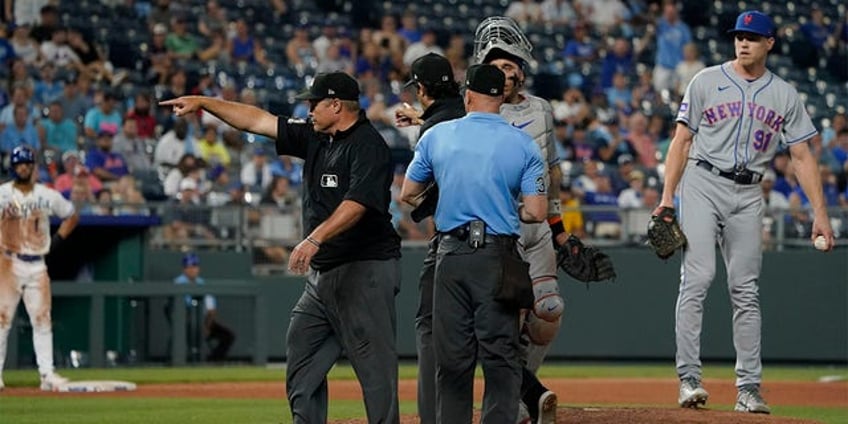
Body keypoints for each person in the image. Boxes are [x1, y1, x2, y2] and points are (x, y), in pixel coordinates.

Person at [160, 71, 402, 424]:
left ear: (336, 105)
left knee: (374, 368)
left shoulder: (369, 145)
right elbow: (258, 120)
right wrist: (204, 103)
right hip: (325, 275)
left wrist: (315, 238)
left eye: (314, 103)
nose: (308, 109)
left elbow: (358, 203)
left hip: (365, 269)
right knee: (302, 352)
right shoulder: (316, 135)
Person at [658, 11, 835, 414]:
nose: (743, 43)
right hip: (702, 182)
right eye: (739, 36)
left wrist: (819, 214)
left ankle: (749, 388)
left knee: (745, 289)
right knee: (699, 277)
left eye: (753, 37)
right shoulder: (706, 80)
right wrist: (667, 197)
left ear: (769, 43)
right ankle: (688, 379)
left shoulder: (785, 94)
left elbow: (802, 156)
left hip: (749, 192)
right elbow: (682, 141)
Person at [400, 63, 547, 423]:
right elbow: (536, 212)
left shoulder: (437, 136)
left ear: (467, 95)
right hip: (498, 255)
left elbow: (408, 193)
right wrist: (504, 206)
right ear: (502, 97)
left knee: (452, 359)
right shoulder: (524, 144)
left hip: (451, 255)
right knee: (501, 358)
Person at [474, 15, 565, 422]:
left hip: (538, 226)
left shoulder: (542, 110)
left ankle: (521, 387)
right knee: (506, 318)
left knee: (548, 310)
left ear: (522, 73)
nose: (505, 73)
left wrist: (561, 228)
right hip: (499, 228)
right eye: (497, 67)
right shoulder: (475, 111)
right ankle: (513, 397)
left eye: (511, 66)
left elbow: (553, 170)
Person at [394, 52, 465, 424]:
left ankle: (431, 418)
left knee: (429, 326)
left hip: (451, 241)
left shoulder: (433, 129)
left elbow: (415, 193)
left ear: (421, 89)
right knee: (491, 334)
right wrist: (423, 119)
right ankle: (529, 392)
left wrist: (421, 205)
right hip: (499, 239)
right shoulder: (468, 111)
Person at [0, 145, 79, 391]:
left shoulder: (46, 194)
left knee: (42, 320)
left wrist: (57, 241)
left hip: (37, 264)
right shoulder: (2, 194)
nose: (23, 167)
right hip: (9, 262)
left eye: (27, 163)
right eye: (19, 163)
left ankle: (47, 375)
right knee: (2, 320)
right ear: (13, 167)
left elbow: (71, 215)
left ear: (33, 166)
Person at [172, 252, 235, 362]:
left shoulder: (202, 283)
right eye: (189, 267)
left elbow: (211, 308)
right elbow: (186, 307)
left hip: (204, 321)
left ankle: (213, 361)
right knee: (193, 326)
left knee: (228, 336)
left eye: (195, 266)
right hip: (186, 322)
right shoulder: (178, 282)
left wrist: (207, 325)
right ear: (184, 269)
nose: (192, 270)